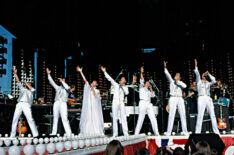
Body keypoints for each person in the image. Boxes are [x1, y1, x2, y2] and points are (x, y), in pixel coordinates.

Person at [10, 66, 39, 137]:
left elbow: (33, 89)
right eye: (28, 83)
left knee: (30, 119)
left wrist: (28, 84)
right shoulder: (23, 89)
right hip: (20, 103)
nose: (28, 84)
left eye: (29, 83)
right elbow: (18, 81)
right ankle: (12, 135)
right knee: (15, 119)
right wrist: (15, 74)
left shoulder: (32, 91)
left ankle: (35, 134)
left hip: (26, 105)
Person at [101, 66, 129, 137]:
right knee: (115, 117)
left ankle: (126, 133)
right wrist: (104, 72)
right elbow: (110, 79)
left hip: (121, 102)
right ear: (120, 80)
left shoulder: (125, 87)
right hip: (115, 102)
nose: (123, 80)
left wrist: (122, 86)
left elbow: (127, 93)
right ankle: (115, 133)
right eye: (122, 79)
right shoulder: (116, 85)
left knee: (123, 117)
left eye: (124, 79)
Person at [194, 59, 220, 134]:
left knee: (212, 114)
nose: (204, 76)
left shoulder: (208, 83)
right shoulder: (199, 82)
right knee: (200, 115)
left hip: (208, 98)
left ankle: (216, 131)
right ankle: (197, 132)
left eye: (205, 75)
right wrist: (196, 65)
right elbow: (197, 73)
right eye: (203, 75)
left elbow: (214, 81)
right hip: (201, 98)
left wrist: (208, 73)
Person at [77, 66, 104, 136]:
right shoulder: (89, 88)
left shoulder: (97, 90)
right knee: (88, 117)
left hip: (95, 107)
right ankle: (87, 130)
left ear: (96, 84)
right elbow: (85, 80)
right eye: (93, 82)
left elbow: (95, 96)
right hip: (89, 105)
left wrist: (92, 88)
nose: (93, 82)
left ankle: (97, 131)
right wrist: (81, 72)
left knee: (95, 117)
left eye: (95, 82)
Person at [164, 61, 188, 136]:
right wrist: (165, 67)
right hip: (173, 98)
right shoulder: (171, 81)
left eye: (178, 75)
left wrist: (178, 82)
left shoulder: (181, 83)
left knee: (183, 114)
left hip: (180, 98)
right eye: (176, 75)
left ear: (179, 77)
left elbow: (185, 86)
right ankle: (168, 132)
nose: (177, 75)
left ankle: (185, 131)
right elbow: (167, 74)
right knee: (171, 114)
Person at [46, 68, 72, 137]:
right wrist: (48, 74)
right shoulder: (58, 87)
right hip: (56, 102)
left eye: (63, 79)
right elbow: (52, 82)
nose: (61, 80)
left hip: (63, 103)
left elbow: (68, 88)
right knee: (55, 118)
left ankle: (69, 133)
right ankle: (54, 133)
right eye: (61, 79)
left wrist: (62, 81)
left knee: (64, 118)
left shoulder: (67, 88)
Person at [135, 66, 159, 136]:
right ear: (146, 83)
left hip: (148, 104)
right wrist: (141, 72)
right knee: (140, 119)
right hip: (142, 103)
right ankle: (136, 134)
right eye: (148, 82)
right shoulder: (141, 87)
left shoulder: (149, 91)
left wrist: (151, 88)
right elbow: (141, 79)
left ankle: (156, 133)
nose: (149, 83)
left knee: (153, 118)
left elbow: (153, 95)